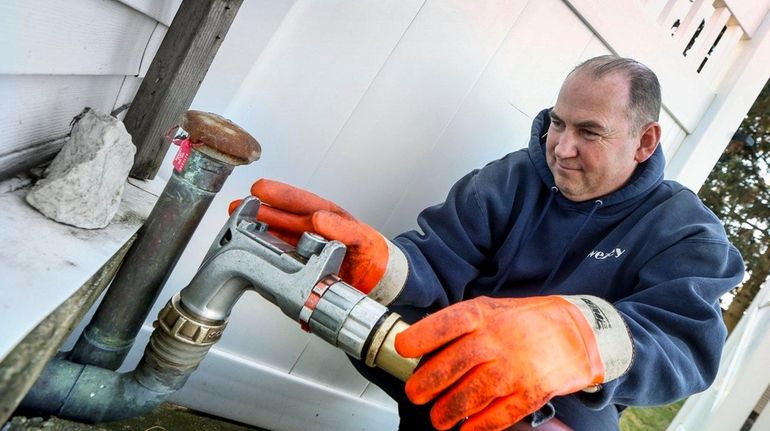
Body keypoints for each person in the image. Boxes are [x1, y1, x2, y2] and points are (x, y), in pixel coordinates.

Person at [236, 55, 745, 430]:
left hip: (563, 408)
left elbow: (687, 345)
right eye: (558, 122)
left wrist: (581, 338)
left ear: (645, 141)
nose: (562, 148)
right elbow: (436, 261)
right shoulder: (511, 178)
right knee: (370, 306)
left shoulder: (687, 230)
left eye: (589, 132)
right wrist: (383, 265)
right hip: (450, 363)